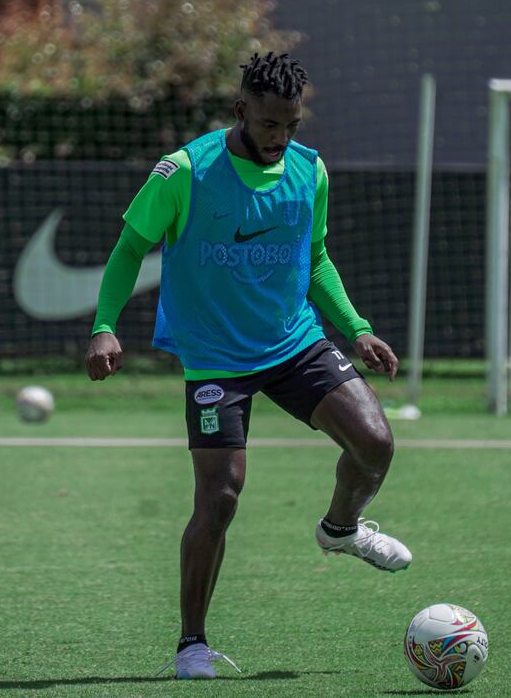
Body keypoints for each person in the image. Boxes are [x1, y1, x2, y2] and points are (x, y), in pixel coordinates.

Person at [85, 51, 411, 680]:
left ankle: (341, 528)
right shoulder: (185, 171)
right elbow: (130, 247)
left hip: (294, 343)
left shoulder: (309, 172)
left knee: (375, 442)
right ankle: (192, 644)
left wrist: (358, 329)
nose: (281, 138)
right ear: (241, 111)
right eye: (268, 125)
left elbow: (313, 258)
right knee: (221, 497)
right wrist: (103, 326)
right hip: (215, 358)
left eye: (291, 124)